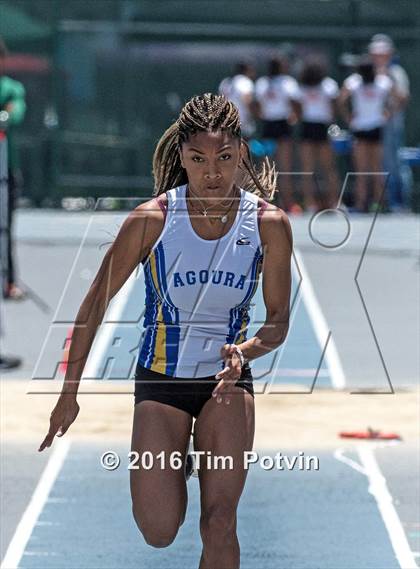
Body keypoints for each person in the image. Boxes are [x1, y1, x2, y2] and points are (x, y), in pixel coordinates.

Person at [38, 93, 292, 568]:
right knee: (158, 531)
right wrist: (68, 394)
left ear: (241, 152)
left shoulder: (267, 224)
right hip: (161, 382)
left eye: (223, 158)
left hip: (226, 386)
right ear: (182, 157)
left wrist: (247, 351)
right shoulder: (153, 220)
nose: (211, 173)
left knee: (220, 523)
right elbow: (93, 305)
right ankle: (182, 455)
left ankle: (204, 449)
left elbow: (278, 320)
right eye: (198, 160)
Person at [339, 55, 394, 212]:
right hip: (360, 128)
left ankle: (378, 204)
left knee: (374, 169)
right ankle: (362, 204)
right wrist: (348, 116)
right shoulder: (355, 82)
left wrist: (388, 113)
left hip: (375, 127)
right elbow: (341, 99)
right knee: (364, 169)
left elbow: (400, 97)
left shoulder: (382, 82)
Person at [368, 34, 411, 212]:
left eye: (382, 54)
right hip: (371, 126)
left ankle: (399, 202)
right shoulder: (369, 74)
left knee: (394, 162)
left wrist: (389, 113)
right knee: (377, 163)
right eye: (376, 54)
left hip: (391, 126)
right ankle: (380, 202)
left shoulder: (396, 73)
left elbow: (403, 98)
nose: (378, 57)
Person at [255, 56, 301, 213]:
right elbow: (295, 101)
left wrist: (261, 113)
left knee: (270, 165)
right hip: (277, 125)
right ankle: (277, 201)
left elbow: (257, 103)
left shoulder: (264, 82)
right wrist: (295, 115)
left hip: (273, 125)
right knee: (278, 165)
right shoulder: (287, 82)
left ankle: (279, 201)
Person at [0, 37, 27, 300]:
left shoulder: (10, 89)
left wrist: (5, 116)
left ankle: (8, 281)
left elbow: (14, 113)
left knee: (4, 226)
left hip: (5, 172)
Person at [295, 57, 340, 211]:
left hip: (320, 126)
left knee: (326, 168)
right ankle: (310, 203)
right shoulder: (303, 87)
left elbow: (334, 106)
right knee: (309, 168)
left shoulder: (328, 85)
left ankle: (332, 202)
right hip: (311, 125)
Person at [218, 62, 256, 140]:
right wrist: (253, 114)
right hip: (242, 121)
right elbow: (247, 99)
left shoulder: (225, 82)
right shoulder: (245, 81)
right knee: (243, 148)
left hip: (226, 121)